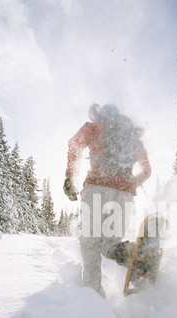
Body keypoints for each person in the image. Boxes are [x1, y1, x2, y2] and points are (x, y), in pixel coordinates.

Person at [63, 103, 152, 297]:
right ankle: (134, 255)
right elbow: (147, 170)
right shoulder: (132, 138)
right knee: (110, 243)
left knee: (90, 243)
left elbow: (74, 145)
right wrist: (130, 184)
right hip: (124, 194)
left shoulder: (93, 127)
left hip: (96, 187)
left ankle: (93, 294)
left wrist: (70, 177)